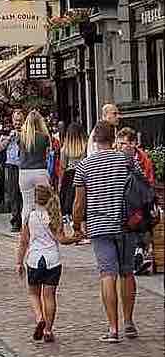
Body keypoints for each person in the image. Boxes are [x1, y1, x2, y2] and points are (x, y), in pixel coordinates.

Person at [72, 120, 142, 342]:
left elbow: (78, 203)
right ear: (113, 139)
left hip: (100, 226)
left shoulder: (85, 166)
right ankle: (129, 322)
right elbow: (142, 185)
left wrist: (76, 225)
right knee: (127, 272)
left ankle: (113, 329)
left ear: (94, 140)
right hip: (126, 224)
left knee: (107, 274)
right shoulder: (127, 160)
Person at [15, 184, 78, 343]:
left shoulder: (30, 217)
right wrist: (76, 237)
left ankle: (39, 317)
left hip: (34, 259)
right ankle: (48, 330)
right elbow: (62, 240)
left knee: (33, 294)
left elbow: (24, 242)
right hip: (52, 260)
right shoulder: (54, 215)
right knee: (49, 296)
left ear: (35, 199)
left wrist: (19, 262)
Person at [115, 127, 155, 275]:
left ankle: (139, 253)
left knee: (143, 220)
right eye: (119, 144)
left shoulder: (142, 158)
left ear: (133, 143)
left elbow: (147, 180)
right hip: (126, 202)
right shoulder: (118, 158)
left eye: (123, 144)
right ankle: (137, 255)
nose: (120, 147)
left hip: (139, 200)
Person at [18, 110, 52, 225]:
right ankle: (42, 230)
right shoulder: (44, 138)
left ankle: (25, 231)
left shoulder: (22, 137)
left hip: (24, 173)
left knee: (27, 204)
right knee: (42, 205)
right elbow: (47, 155)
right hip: (40, 171)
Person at [0, 109, 25, 231]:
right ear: (12, 121)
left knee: (23, 194)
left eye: (20, 120)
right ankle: (15, 220)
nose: (18, 123)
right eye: (16, 120)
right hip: (11, 166)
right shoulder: (6, 133)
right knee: (13, 194)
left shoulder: (26, 132)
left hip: (23, 166)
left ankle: (25, 220)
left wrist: (20, 139)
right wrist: (9, 139)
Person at [58, 121, 87, 218]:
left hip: (69, 177)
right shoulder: (85, 148)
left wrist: (59, 183)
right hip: (82, 175)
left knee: (68, 201)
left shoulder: (64, 149)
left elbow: (62, 166)